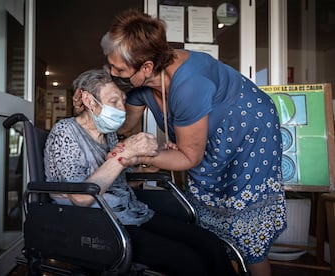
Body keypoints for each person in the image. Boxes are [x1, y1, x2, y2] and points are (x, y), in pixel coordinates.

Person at [100, 9, 287, 276]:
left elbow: (189, 158)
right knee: (207, 219)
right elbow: (125, 126)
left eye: (118, 68)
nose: (113, 72)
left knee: (247, 229)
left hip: (248, 134)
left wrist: (137, 154)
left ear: (147, 67)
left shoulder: (190, 85)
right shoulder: (141, 85)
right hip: (209, 140)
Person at [44, 68, 236, 275]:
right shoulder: (65, 132)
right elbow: (81, 197)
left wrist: (148, 164)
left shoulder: (108, 136)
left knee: (210, 244)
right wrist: (124, 155)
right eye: (114, 101)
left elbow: (117, 183)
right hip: (96, 225)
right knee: (187, 260)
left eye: (123, 101)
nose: (122, 109)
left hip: (131, 214)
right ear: (89, 101)